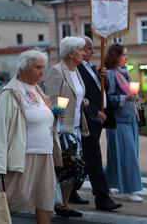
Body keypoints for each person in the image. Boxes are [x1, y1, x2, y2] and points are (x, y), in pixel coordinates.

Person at [0, 49, 58, 224]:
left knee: (46, 200)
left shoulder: (39, 91)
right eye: (37, 67)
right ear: (23, 68)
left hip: (45, 155)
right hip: (22, 157)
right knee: (9, 202)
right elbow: (0, 130)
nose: (41, 72)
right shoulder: (10, 92)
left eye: (43, 67)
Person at [69, 36, 122, 211]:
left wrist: (103, 79)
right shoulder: (76, 70)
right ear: (79, 50)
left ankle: (70, 190)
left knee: (85, 159)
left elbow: (99, 92)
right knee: (94, 159)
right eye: (88, 48)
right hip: (88, 120)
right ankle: (102, 197)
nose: (92, 52)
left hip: (97, 119)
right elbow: (80, 97)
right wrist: (94, 111)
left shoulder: (90, 67)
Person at [46, 36, 89, 218]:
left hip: (77, 125)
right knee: (64, 167)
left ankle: (64, 204)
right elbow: (51, 98)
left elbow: (76, 94)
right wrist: (57, 109)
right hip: (63, 127)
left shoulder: (76, 70)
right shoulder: (57, 71)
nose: (84, 53)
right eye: (81, 50)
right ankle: (52, 203)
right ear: (71, 53)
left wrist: (82, 100)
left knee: (74, 167)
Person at [104, 43, 143, 202]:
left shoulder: (125, 73)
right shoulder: (111, 75)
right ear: (115, 56)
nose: (126, 57)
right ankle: (128, 190)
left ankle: (107, 183)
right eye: (123, 55)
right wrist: (126, 98)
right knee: (128, 156)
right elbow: (109, 98)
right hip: (118, 121)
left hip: (129, 118)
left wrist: (134, 98)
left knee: (118, 156)